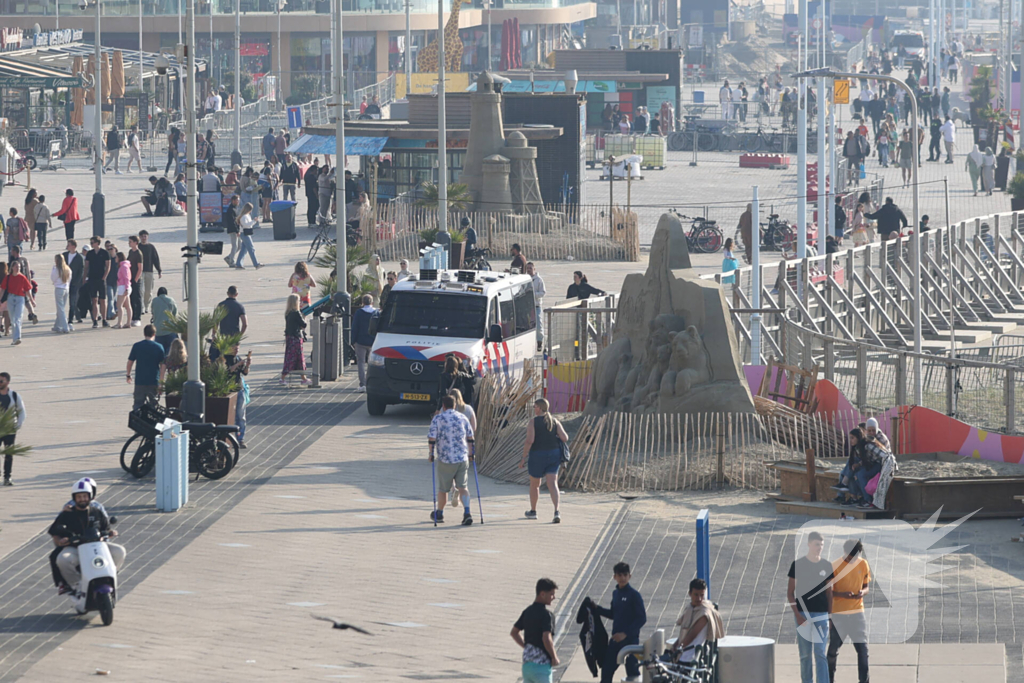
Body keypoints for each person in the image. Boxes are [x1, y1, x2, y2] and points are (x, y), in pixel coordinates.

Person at [50, 480, 126, 594]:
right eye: (79, 497)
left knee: (119, 551)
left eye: (85, 496)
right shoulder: (66, 514)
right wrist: (60, 541)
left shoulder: (97, 511)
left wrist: (111, 532)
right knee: (62, 559)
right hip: (75, 548)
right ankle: (76, 585)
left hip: (98, 546)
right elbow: (54, 532)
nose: (82, 499)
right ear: (74, 498)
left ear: (90, 497)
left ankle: (110, 575)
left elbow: (106, 528)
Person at [787, 531, 833, 683]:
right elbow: (790, 593)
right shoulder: (798, 565)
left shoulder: (826, 565)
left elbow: (829, 593)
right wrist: (797, 615)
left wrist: (830, 616)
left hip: (821, 615)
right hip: (803, 615)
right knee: (805, 654)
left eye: (821, 545)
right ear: (808, 544)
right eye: (816, 545)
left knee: (820, 653)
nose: (819, 548)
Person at [593, 562, 647, 683]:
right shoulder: (615, 593)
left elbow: (642, 618)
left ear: (629, 576)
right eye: (619, 575)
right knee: (606, 671)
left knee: (633, 674)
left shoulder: (634, 595)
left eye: (625, 575)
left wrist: (625, 634)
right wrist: (597, 609)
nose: (622, 578)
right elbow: (613, 614)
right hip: (615, 640)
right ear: (614, 577)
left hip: (630, 642)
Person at [827, 540, 871, 683]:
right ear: (844, 552)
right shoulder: (834, 566)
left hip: (857, 613)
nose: (853, 560)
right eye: (850, 557)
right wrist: (842, 595)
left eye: (855, 556)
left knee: (863, 651)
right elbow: (828, 592)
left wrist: (862, 593)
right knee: (833, 650)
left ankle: (864, 680)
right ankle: (829, 679)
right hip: (838, 614)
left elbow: (866, 587)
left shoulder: (863, 564)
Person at [427, 393, 475, 525]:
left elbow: (432, 438)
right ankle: (467, 512)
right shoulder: (463, 418)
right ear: (455, 405)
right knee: (463, 487)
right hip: (462, 458)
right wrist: (471, 454)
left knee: (443, 489)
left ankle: (440, 513)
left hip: (446, 459)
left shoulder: (438, 419)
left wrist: (431, 454)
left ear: (443, 405)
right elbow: (471, 437)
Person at [520, 398, 568, 523]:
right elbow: (565, 437)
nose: (533, 409)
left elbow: (529, 441)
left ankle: (533, 511)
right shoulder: (555, 421)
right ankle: (557, 511)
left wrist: (523, 457)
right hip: (553, 454)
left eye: (534, 406)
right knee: (553, 483)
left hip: (537, 455)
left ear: (540, 408)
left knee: (535, 484)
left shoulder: (533, 422)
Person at [511, 578, 560, 683]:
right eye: (551, 594)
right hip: (541, 666)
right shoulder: (547, 615)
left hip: (527, 666)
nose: (554, 597)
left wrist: (527, 646)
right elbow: (546, 638)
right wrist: (554, 657)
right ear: (542, 594)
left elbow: (514, 632)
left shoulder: (527, 612)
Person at [672, 578, 725, 663]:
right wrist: (675, 646)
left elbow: (692, 634)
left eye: (702, 595)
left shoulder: (705, 612)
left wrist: (679, 648)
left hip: (693, 658)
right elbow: (685, 631)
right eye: (696, 595)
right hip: (682, 655)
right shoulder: (689, 608)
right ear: (690, 594)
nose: (699, 598)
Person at [126, 324, 165, 409]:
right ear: (154, 334)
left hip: (140, 381)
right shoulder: (159, 347)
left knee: (138, 404)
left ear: (144, 334)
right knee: (153, 405)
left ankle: (137, 420)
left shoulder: (137, 346)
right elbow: (162, 366)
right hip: (154, 380)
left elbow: (130, 362)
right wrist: (161, 382)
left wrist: (128, 375)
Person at [224, 345, 252, 448]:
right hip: (229, 390)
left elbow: (245, 373)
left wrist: (247, 365)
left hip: (239, 389)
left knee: (241, 415)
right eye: (235, 348)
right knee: (230, 415)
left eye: (238, 349)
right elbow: (228, 371)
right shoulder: (225, 359)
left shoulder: (238, 358)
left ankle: (241, 438)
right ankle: (229, 438)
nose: (236, 351)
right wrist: (238, 364)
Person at [0, 372, 25, 486]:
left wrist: (17, 425)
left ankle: (7, 477)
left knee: (9, 454)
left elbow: (22, 411)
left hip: (10, 430)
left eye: (1, 381)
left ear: (8, 382)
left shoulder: (14, 396)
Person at [281, 293, 309, 385]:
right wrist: (304, 317)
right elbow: (303, 324)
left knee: (290, 358)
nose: (300, 302)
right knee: (299, 358)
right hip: (296, 338)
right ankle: (302, 378)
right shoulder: (297, 313)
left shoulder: (288, 313)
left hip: (289, 338)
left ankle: (301, 378)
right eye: (299, 301)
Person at [3, 261, 33, 345]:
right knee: (13, 320)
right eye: (16, 267)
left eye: (19, 267)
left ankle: (17, 338)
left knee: (17, 318)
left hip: (20, 298)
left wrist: (32, 300)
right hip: (10, 298)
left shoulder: (22, 277)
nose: (18, 268)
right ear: (12, 268)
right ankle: (14, 339)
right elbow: (2, 289)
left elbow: (27, 290)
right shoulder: (8, 277)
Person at [351, 294, 377, 392]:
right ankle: (371, 383)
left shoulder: (359, 313)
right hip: (373, 342)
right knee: (372, 364)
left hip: (360, 341)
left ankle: (363, 384)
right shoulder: (376, 313)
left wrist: (353, 340)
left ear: (362, 303)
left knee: (361, 363)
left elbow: (355, 327)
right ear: (372, 302)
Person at [136, 230, 162, 315]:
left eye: (145, 236)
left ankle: (147, 306)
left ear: (147, 237)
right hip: (139, 272)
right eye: (142, 236)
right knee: (141, 290)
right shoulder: (137, 247)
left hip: (149, 271)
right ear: (139, 237)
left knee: (148, 291)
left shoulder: (151, 247)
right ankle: (142, 307)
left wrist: (159, 270)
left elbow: (155, 259)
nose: (144, 238)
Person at [234, 202, 263, 269]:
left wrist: (253, 222)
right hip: (244, 234)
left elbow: (249, 224)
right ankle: (256, 264)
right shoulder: (244, 217)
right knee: (251, 248)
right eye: (251, 209)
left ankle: (238, 264)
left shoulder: (247, 216)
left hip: (246, 233)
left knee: (244, 249)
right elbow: (246, 225)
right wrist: (254, 221)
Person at [150, 286, 179, 353]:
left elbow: (153, 313)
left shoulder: (154, 300)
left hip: (158, 331)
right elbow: (175, 314)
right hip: (170, 330)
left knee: (160, 352)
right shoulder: (171, 300)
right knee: (171, 352)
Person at [63, 239, 83, 325]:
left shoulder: (79, 257)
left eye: (69, 245)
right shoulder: (64, 255)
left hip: (75, 284)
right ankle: (78, 316)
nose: (67, 246)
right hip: (65, 282)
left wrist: (76, 283)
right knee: (66, 301)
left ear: (73, 246)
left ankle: (70, 319)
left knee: (72, 301)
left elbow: (80, 272)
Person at [526, 262, 545, 350]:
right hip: (527, 307)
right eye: (527, 268)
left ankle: (539, 342)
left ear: (534, 269)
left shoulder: (539, 280)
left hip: (536, 306)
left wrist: (533, 295)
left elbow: (543, 292)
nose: (529, 270)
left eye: (530, 268)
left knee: (538, 326)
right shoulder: (525, 279)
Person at [51, 253, 71, 334]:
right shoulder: (67, 269)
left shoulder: (56, 269)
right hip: (66, 288)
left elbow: (52, 278)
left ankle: (65, 327)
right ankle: (57, 326)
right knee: (61, 308)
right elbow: (70, 278)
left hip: (59, 289)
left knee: (60, 309)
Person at [114, 251, 133, 329]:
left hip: (123, 287)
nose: (115, 258)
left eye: (116, 257)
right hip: (125, 286)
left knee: (119, 305)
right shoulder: (124, 265)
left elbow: (126, 278)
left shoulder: (124, 266)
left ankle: (119, 323)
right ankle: (128, 323)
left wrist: (126, 288)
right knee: (127, 305)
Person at [127, 236, 144, 326]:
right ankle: (132, 317)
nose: (129, 243)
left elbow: (140, 268)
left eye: (130, 241)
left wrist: (135, 280)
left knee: (137, 298)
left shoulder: (139, 253)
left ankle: (138, 318)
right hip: (130, 279)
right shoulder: (130, 252)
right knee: (131, 298)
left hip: (136, 280)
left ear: (135, 242)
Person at [223, 195, 240, 265]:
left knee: (239, 246)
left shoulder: (235, 208)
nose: (238, 202)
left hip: (236, 229)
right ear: (233, 201)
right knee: (235, 246)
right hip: (233, 230)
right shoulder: (231, 210)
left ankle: (229, 257)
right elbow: (232, 222)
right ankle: (231, 261)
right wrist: (237, 231)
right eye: (237, 200)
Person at [303, 158, 321, 226]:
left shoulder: (307, 176)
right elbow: (314, 188)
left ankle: (310, 222)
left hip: (308, 194)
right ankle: (312, 222)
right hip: (312, 195)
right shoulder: (312, 178)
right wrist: (317, 195)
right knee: (313, 208)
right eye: (316, 170)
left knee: (310, 207)